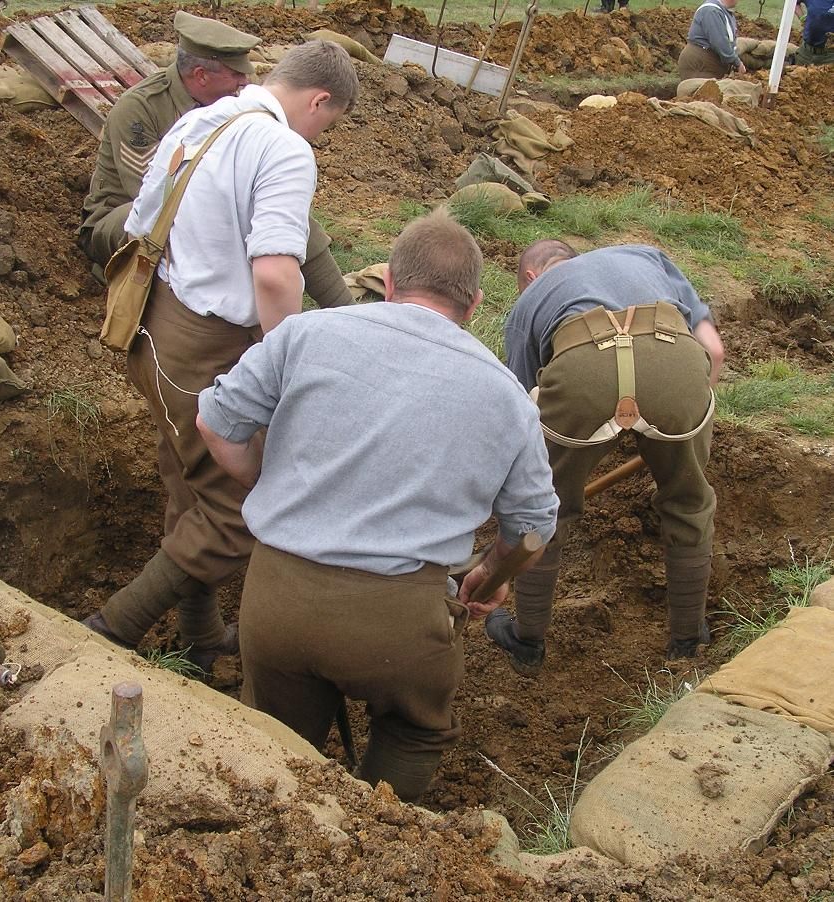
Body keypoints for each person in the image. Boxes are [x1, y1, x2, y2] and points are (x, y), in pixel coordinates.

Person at [195, 209, 559, 800]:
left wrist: (273, 484)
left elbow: (216, 424)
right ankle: (374, 838)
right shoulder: (505, 394)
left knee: (276, 747)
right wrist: (491, 576)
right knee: (416, 731)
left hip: (278, 600)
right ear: (473, 306)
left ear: (388, 282)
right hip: (398, 624)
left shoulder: (306, 333)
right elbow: (534, 529)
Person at [81, 41, 360, 671]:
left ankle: (201, 637)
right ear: (319, 100)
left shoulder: (204, 119)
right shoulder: (286, 148)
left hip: (155, 331)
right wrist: (285, 370)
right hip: (205, 351)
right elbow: (276, 277)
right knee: (239, 510)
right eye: (330, 121)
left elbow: (140, 221)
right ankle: (111, 628)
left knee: (191, 487)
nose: (324, 134)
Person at [486, 241, 725, 675]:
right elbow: (715, 349)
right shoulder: (646, 255)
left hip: (582, 371)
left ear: (531, 278)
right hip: (674, 359)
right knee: (689, 503)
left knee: (547, 508)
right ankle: (689, 641)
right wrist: (683, 409)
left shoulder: (528, 306)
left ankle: (528, 643)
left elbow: (521, 413)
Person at [79, 10, 351, 308]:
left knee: (277, 210)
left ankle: (344, 310)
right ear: (201, 75)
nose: (245, 81)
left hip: (184, 211)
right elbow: (159, 196)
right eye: (235, 74)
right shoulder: (140, 108)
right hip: (120, 219)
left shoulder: (233, 109)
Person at [678, 0, 747, 80]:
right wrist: (737, 63)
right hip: (700, 65)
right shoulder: (711, 11)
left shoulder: (724, 11)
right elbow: (720, 43)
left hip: (709, 65)